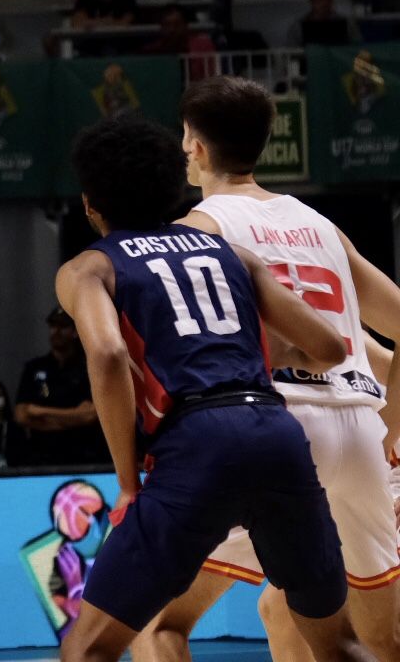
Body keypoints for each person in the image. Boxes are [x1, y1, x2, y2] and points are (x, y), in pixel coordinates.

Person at [52, 112, 373, 662]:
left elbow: (106, 353)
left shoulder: (89, 268)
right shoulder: (233, 255)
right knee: (339, 645)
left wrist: (128, 483)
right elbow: (329, 347)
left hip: (195, 444)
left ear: (89, 205)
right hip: (276, 435)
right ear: (172, 190)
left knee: (88, 650)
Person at [136, 79, 400, 662]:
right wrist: (389, 430)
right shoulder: (323, 228)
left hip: (270, 429)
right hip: (358, 433)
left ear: (196, 148)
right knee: (363, 637)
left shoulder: (198, 231)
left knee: (158, 620)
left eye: (186, 140)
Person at [15, 308, 107, 466]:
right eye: (52, 326)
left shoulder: (90, 368)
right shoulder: (34, 368)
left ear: (75, 331)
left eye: (62, 327)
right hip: (42, 458)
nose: (56, 332)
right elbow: (22, 415)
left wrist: (41, 411)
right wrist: (73, 416)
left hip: (84, 458)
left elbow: (91, 415)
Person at [284, 0, 361, 48]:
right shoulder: (298, 28)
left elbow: (359, 50)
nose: (324, 3)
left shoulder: (348, 24)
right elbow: (291, 56)